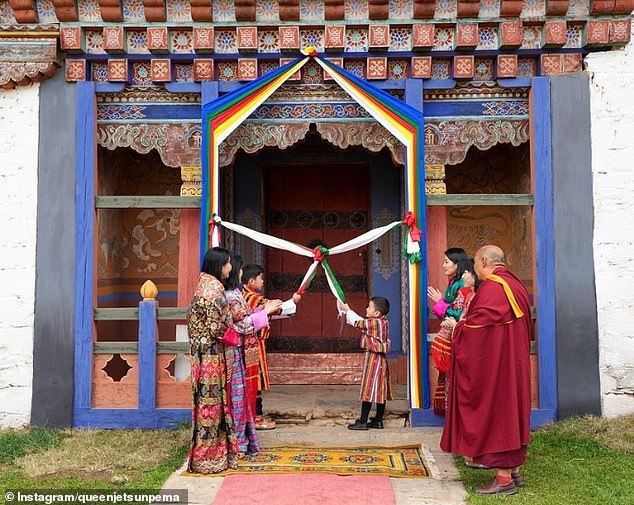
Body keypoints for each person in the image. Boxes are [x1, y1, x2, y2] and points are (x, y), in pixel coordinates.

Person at [440, 245, 532, 496]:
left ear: (483, 261)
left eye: (476, 265)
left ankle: (504, 480)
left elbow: (476, 329)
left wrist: (456, 329)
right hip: (514, 363)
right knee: (512, 411)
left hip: (498, 367)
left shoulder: (493, 288)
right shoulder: (516, 285)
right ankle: (514, 471)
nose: (475, 271)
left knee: (499, 413)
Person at [187, 247, 240, 474]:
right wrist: (237, 336)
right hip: (211, 356)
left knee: (206, 404)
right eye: (227, 263)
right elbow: (217, 328)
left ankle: (208, 454)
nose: (230, 268)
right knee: (212, 405)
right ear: (219, 266)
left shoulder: (204, 286)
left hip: (203, 354)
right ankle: (210, 456)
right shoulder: (214, 291)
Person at [223, 254, 282, 455]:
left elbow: (246, 315)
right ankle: (238, 442)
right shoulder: (231, 296)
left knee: (242, 395)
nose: (236, 270)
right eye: (234, 267)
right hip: (237, 349)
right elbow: (244, 324)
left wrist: (262, 310)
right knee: (240, 395)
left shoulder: (237, 295)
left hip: (242, 350)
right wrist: (265, 312)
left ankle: (242, 440)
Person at [242, 263, 301, 430]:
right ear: (252, 280)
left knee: (254, 381)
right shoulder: (254, 298)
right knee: (256, 381)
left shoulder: (245, 296)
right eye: (260, 278)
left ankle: (255, 414)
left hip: (252, 344)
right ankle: (256, 416)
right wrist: (293, 300)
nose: (262, 281)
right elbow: (275, 309)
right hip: (254, 345)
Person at [431, 258, 479, 416]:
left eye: (466, 272)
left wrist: (441, 305)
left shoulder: (469, 294)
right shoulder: (464, 292)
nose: (464, 276)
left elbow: (461, 316)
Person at [338, 297, 392, 431]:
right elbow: (363, 324)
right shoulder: (383, 322)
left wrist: (347, 310)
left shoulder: (374, 324)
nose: (366, 309)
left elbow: (358, 323)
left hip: (374, 360)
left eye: (369, 307)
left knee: (368, 389)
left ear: (377, 313)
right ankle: (378, 420)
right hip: (381, 360)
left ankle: (363, 421)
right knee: (380, 390)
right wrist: (348, 310)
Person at [427, 247, 470, 321]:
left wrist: (440, 302)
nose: (443, 265)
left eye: (446, 262)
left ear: (457, 264)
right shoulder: (453, 281)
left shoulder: (463, 283)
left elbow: (459, 313)